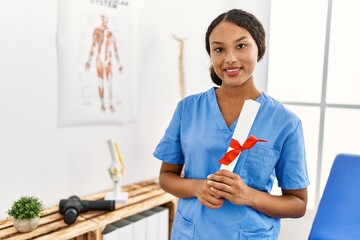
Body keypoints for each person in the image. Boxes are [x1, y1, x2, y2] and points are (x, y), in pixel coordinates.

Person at [153, 9, 310, 240]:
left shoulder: (286, 123)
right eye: (219, 49)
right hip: (192, 233)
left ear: (259, 49)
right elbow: (166, 176)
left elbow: (297, 204)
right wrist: (197, 188)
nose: (230, 58)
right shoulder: (187, 109)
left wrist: (248, 195)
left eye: (241, 46)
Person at [85, 14, 123, 112]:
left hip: (108, 61)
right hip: (100, 61)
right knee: (101, 83)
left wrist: (119, 64)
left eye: (106, 18)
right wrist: (89, 61)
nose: (105, 20)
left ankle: (110, 104)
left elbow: (115, 49)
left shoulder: (110, 33)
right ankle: (102, 104)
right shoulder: (97, 31)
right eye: (103, 18)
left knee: (109, 83)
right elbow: (93, 47)